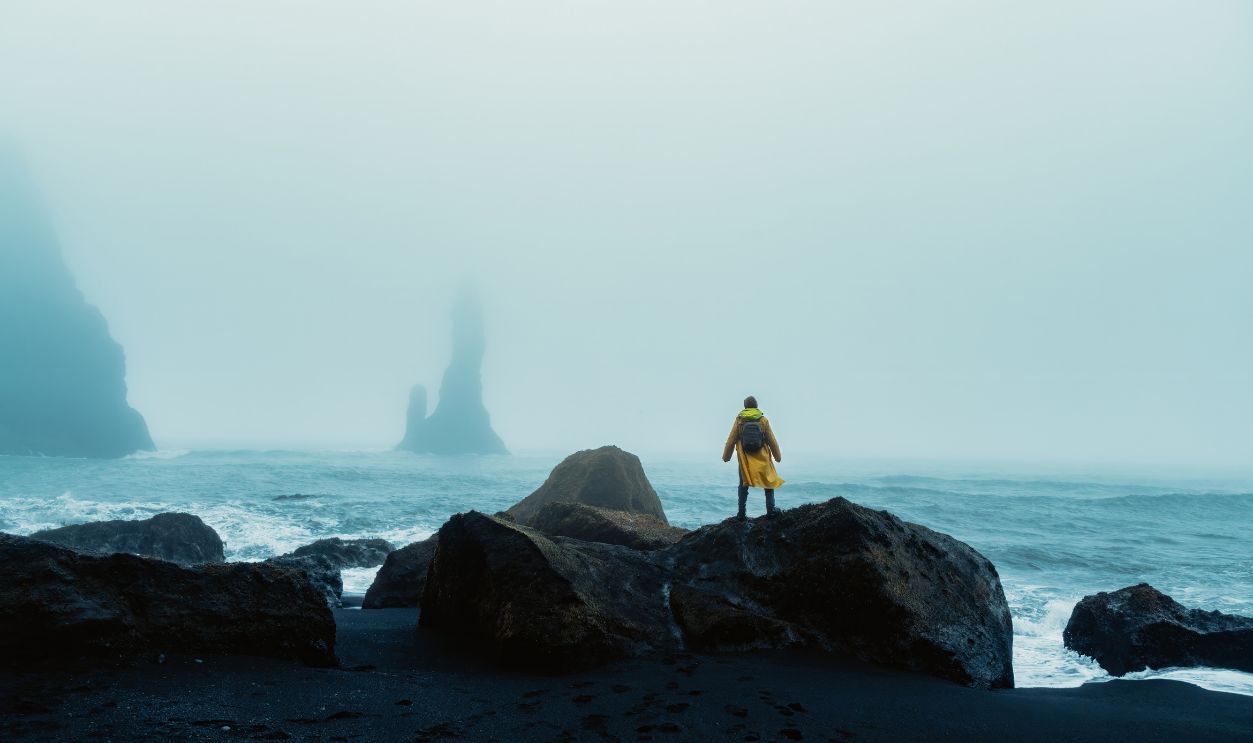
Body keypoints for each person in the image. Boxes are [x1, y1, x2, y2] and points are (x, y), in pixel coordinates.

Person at [721, 395, 784, 519]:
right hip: (763, 456)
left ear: (745, 406)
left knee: (743, 485)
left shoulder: (740, 419)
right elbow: (772, 440)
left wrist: (726, 457)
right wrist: (777, 457)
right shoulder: (763, 420)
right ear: (756, 406)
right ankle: (771, 510)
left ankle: (741, 513)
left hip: (745, 458)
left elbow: (731, 440)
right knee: (769, 483)